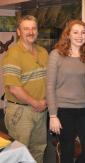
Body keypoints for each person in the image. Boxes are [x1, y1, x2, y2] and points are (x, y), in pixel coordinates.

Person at [2, 15, 48, 163]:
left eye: (33, 28)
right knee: (19, 154)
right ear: (19, 32)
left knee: (38, 150)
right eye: (26, 28)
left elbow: (48, 80)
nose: (31, 32)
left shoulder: (43, 52)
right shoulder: (13, 54)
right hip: (21, 113)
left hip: (41, 110)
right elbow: (14, 88)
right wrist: (36, 103)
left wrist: (45, 102)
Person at [46, 20, 85, 163]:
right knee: (67, 151)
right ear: (68, 34)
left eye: (83, 32)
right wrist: (53, 115)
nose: (80, 36)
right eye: (75, 32)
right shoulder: (56, 54)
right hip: (64, 110)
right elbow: (50, 86)